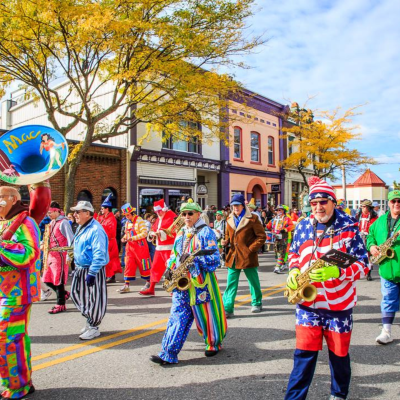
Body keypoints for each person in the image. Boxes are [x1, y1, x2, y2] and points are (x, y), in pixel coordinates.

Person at [284, 176, 370, 400]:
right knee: (303, 357)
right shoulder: (303, 225)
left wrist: (339, 272)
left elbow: (364, 265)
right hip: (308, 305)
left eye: (323, 201)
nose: (318, 207)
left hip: (338, 306)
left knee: (339, 356)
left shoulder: (349, 228)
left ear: (333, 201)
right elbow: (293, 253)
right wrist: (293, 270)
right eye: (314, 203)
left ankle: (338, 395)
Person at [150, 199, 227, 364]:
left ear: (198, 214)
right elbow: (173, 255)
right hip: (181, 282)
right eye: (183, 214)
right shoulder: (181, 232)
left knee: (207, 315)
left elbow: (214, 259)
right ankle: (168, 353)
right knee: (177, 316)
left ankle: (214, 343)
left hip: (201, 282)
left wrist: (194, 261)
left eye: (190, 213)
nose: (186, 216)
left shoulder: (206, 232)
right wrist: (170, 268)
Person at [0, 186, 41, 399]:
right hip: (2, 291)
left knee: (8, 336)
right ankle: (13, 382)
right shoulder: (3, 223)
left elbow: (29, 254)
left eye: (0, 197)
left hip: (17, 292)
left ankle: (19, 386)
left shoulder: (26, 222)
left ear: (13, 199)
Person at [222, 193, 266, 317]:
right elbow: (227, 235)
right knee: (231, 283)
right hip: (233, 256)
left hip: (248, 256)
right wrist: (225, 241)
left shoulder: (252, 218)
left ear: (243, 205)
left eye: (237, 205)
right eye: (233, 205)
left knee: (253, 281)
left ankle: (257, 302)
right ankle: (228, 307)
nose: (235, 207)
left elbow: (261, 236)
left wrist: (250, 249)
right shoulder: (229, 219)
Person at [70, 201, 109, 340]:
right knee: (76, 294)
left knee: (95, 299)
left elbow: (100, 253)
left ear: (87, 213)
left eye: (78, 212)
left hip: (92, 269)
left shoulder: (95, 229)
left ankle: (94, 326)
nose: (75, 214)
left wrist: (92, 273)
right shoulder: (82, 227)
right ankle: (90, 319)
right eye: (75, 212)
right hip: (81, 268)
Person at [367, 189, 400, 345]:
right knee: (388, 300)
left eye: (399, 201)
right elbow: (370, 236)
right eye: (394, 201)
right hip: (387, 269)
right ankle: (386, 332)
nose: (397, 204)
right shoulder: (379, 221)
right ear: (389, 203)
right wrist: (372, 246)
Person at [42, 201, 74, 314]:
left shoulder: (64, 222)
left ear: (57, 211)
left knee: (58, 280)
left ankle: (60, 304)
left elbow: (71, 239)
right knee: (46, 279)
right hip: (50, 255)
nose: (48, 215)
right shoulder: (52, 222)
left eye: (50, 212)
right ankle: (64, 294)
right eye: (47, 213)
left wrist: (70, 255)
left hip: (60, 255)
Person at [141, 199, 177, 296]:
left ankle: (173, 289)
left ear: (164, 209)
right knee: (155, 268)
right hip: (159, 248)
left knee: (171, 268)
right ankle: (151, 288)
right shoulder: (159, 218)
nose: (158, 213)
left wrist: (160, 233)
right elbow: (153, 228)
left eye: (159, 211)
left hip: (169, 248)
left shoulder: (172, 216)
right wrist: (152, 234)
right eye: (156, 212)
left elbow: (174, 231)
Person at [118, 203, 152, 294]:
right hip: (130, 247)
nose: (127, 217)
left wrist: (132, 238)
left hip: (140, 247)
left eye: (128, 215)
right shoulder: (127, 222)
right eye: (125, 215)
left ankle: (148, 282)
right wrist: (124, 237)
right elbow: (127, 233)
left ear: (132, 213)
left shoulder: (140, 220)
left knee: (144, 264)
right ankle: (126, 285)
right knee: (128, 264)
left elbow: (144, 233)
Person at [97, 194, 122, 284]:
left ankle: (111, 276)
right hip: (105, 241)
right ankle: (108, 275)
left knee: (110, 259)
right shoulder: (104, 218)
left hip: (110, 242)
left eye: (102, 209)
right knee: (107, 259)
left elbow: (110, 231)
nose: (101, 210)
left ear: (107, 209)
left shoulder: (111, 219)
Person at [266, 205, 295, 274]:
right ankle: (284, 264)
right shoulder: (274, 219)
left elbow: (292, 226)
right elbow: (268, 226)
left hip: (284, 238)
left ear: (283, 211)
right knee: (277, 252)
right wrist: (267, 228)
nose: (278, 211)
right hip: (276, 238)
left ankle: (277, 267)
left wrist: (285, 230)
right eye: (277, 210)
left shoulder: (286, 219)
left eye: (280, 210)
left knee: (281, 252)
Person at [356, 199, 378, 281]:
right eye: (362, 207)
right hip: (360, 236)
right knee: (358, 255)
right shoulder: (359, 216)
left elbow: (375, 229)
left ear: (369, 207)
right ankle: (359, 272)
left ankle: (369, 273)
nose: (363, 208)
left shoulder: (374, 217)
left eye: (365, 207)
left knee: (368, 256)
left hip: (368, 237)